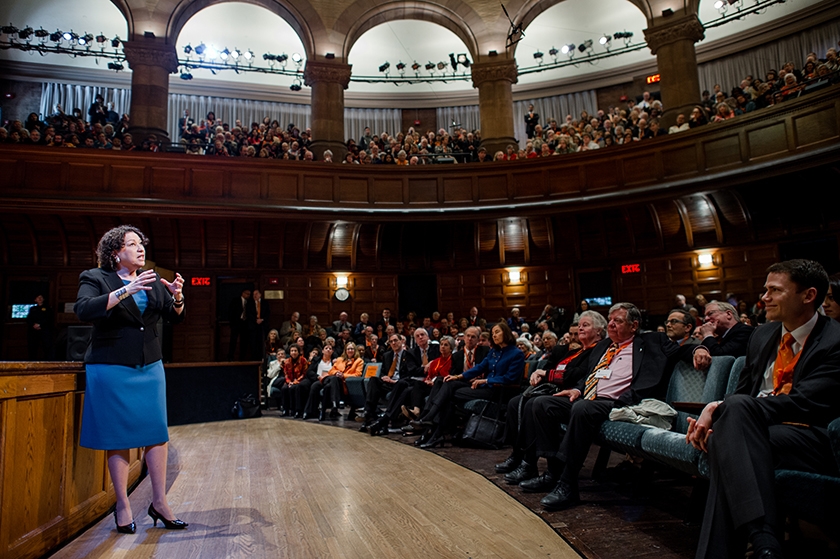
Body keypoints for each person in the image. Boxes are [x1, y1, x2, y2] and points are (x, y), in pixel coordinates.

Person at [689, 260, 840, 558]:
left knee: (728, 437)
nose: (764, 298)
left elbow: (804, 403)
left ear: (808, 296)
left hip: (809, 435)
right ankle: (764, 540)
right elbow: (742, 391)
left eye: (774, 290)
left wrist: (719, 409)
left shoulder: (835, 341)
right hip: (756, 430)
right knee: (726, 438)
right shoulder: (762, 335)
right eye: (765, 289)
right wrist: (724, 411)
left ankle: (760, 535)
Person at [74, 225, 187, 534]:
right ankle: (122, 505)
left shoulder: (151, 280)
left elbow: (174, 317)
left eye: (142, 244)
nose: (141, 249)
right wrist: (127, 289)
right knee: (118, 437)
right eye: (133, 244)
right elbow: (83, 310)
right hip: (111, 368)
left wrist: (177, 297)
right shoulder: (95, 278)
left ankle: (160, 503)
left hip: (149, 367)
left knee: (157, 433)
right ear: (115, 253)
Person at [524, 302, 683, 509]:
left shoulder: (652, 341)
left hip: (617, 402)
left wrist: (700, 348)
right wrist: (578, 389)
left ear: (634, 326)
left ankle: (567, 484)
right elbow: (590, 376)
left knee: (581, 409)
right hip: (589, 397)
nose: (611, 325)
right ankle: (553, 472)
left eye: (618, 321)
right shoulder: (603, 346)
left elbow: (682, 351)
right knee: (541, 403)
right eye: (610, 320)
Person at [497, 311, 607, 483]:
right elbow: (559, 369)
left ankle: (539, 465)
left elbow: (575, 374)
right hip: (557, 390)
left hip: (573, 394)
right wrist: (541, 375)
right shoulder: (576, 351)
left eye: (585, 325)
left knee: (535, 403)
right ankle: (519, 455)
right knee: (515, 402)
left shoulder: (597, 350)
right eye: (579, 325)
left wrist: (545, 374)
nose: (579, 329)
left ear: (599, 331)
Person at [692, 301, 753, 370]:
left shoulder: (745, 331)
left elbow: (720, 358)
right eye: (705, 316)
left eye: (710, 313)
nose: (706, 319)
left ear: (728, 314)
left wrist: (708, 334)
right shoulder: (719, 337)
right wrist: (699, 349)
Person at [280, 345, 310, 418]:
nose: (293, 352)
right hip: (290, 381)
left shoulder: (303, 360)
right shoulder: (287, 362)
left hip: (300, 380)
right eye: (292, 351)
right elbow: (286, 374)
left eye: (295, 351)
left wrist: (295, 382)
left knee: (296, 388)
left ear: (298, 352)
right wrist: (289, 382)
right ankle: (285, 410)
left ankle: (297, 410)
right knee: (284, 388)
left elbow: (304, 373)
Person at [26, 294, 54, 360]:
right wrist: (33, 324)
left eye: (41, 297)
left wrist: (40, 325)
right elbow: (29, 319)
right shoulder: (33, 309)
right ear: (35, 300)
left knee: (46, 346)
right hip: (34, 331)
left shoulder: (48, 308)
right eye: (38, 298)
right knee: (33, 346)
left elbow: (48, 319)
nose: (40, 299)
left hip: (44, 330)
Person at [227, 289, 250, 360]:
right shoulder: (236, 301)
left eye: (249, 294)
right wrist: (232, 322)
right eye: (247, 294)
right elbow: (231, 312)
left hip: (245, 324)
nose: (248, 296)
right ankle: (230, 357)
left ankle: (242, 357)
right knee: (233, 341)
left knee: (244, 341)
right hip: (236, 323)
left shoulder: (249, 302)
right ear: (243, 293)